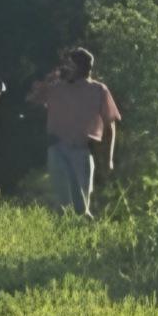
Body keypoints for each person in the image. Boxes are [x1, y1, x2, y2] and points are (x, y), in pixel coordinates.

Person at [29, 47, 120, 216]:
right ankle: (63, 233)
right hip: (57, 148)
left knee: (81, 206)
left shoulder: (98, 90)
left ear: (84, 67)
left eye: (71, 64)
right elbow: (32, 100)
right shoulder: (56, 87)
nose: (66, 68)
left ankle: (84, 232)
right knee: (64, 201)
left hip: (82, 150)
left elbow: (110, 126)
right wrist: (49, 80)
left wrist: (109, 159)